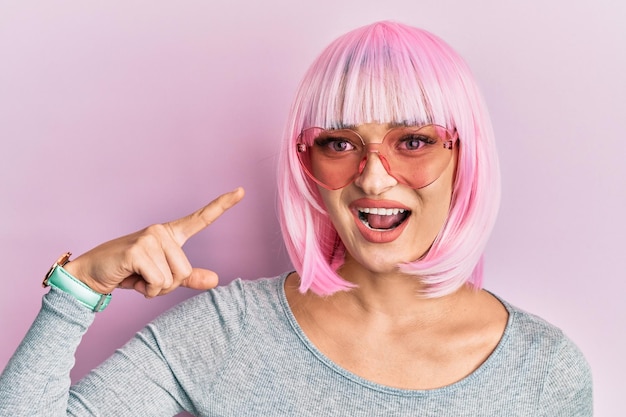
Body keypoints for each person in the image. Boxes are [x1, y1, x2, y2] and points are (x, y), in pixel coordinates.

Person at [0, 21, 592, 416]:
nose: (374, 176)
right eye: (339, 143)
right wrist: (79, 288)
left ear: (466, 157)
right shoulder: (226, 332)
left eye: (413, 141)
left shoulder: (543, 370)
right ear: (306, 164)